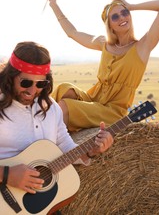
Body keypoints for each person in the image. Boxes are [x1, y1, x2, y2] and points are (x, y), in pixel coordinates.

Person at [0, 41, 113, 215]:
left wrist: (91, 150)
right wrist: (7, 174)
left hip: (39, 205)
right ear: (11, 75)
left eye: (40, 84)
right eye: (25, 83)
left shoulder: (51, 108)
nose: (32, 91)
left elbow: (65, 147)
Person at [47, 0, 159, 132]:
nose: (122, 18)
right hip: (93, 100)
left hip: (112, 111)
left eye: (125, 13)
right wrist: (54, 5)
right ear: (109, 25)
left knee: (66, 105)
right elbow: (72, 33)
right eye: (115, 17)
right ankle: (39, 128)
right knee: (64, 88)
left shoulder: (143, 46)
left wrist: (131, 6)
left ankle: (51, 144)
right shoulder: (104, 43)